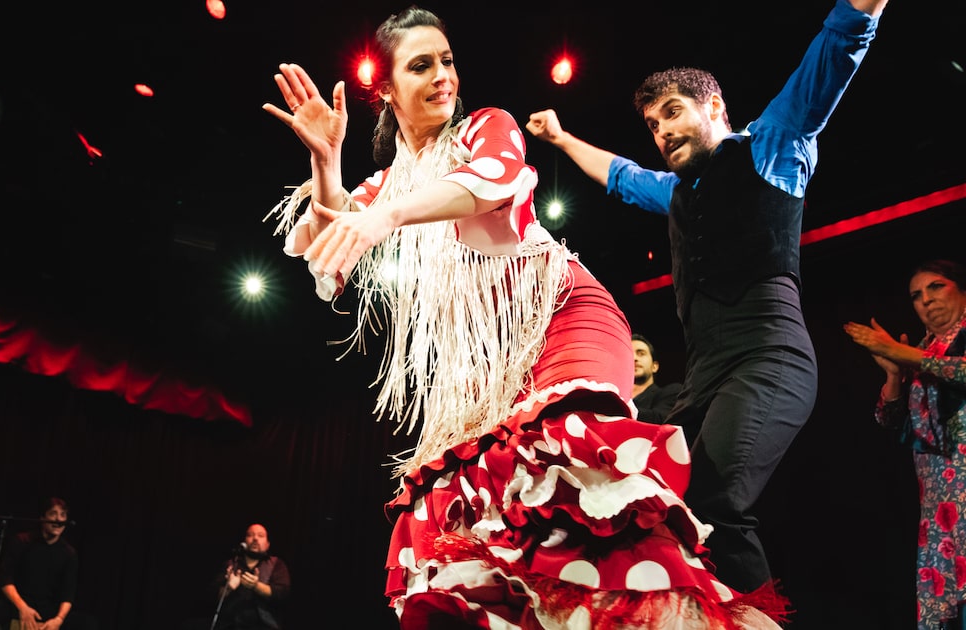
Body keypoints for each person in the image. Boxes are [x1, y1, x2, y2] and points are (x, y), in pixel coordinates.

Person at [263, 5, 787, 628]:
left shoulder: (487, 128)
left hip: (567, 317)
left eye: (448, 61)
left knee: (572, 474)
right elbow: (331, 255)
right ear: (388, 91)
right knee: (467, 518)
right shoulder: (387, 187)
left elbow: (494, 181)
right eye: (422, 65)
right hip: (495, 371)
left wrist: (383, 217)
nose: (443, 76)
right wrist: (327, 163)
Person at [526, 0, 889, 596]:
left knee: (715, 500)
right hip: (704, 378)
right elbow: (619, 175)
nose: (662, 130)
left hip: (768, 361)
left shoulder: (772, 146)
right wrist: (563, 139)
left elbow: (838, 46)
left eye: (672, 113)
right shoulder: (673, 192)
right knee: (650, 507)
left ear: (714, 107)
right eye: (653, 124)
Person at [844, 259, 966, 630]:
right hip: (939, 500)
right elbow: (890, 420)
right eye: (916, 295)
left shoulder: (929, 352)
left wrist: (907, 356)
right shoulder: (923, 351)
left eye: (936, 287)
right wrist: (894, 375)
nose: (926, 300)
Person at [0, 497, 97, 630]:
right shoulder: (22, 541)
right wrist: (22, 608)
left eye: (62, 515)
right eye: (53, 514)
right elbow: (5, 578)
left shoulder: (69, 553)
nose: (58, 519)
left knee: (87, 623)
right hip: (20, 604)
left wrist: (58, 620)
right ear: (42, 518)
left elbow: (68, 594)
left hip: (49, 609)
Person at [210, 523, 290, 630]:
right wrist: (228, 588)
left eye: (260, 535)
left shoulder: (277, 564)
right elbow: (214, 595)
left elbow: (282, 593)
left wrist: (256, 586)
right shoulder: (231, 564)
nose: (255, 538)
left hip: (264, 626)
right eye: (250, 535)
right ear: (244, 541)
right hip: (230, 625)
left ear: (267, 544)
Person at [631, 333, 684, 430]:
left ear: (654, 366)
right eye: (629, 354)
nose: (634, 358)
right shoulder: (616, 396)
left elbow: (661, 420)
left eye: (641, 353)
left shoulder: (671, 392)